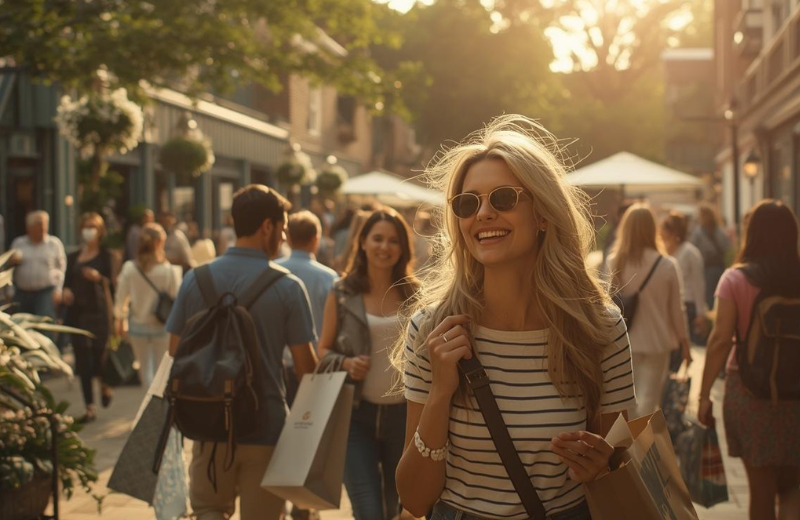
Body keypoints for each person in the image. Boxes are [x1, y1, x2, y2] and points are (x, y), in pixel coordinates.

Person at [396, 115, 636, 520]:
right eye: (468, 203)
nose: (483, 214)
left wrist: (602, 464)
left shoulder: (599, 328)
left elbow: (624, 462)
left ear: (542, 214)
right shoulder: (432, 330)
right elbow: (415, 501)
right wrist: (440, 393)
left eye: (504, 198)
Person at [165, 185, 318, 520]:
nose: (283, 237)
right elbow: (306, 369)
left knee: (207, 511)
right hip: (265, 426)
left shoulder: (195, 279)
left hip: (208, 422)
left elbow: (175, 351)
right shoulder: (288, 287)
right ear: (267, 226)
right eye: (282, 228)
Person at [698, 199, 800, 520]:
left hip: (748, 392)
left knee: (761, 490)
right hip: (796, 395)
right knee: (793, 489)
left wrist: (703, 396)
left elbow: (718, 341)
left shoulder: (736, 279)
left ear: (751, 233)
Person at [318, 209, 419, 520]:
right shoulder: (342, 292)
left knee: (395, 509)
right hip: (355, 416)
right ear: (362, 242)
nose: (384, 247)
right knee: (368, 511)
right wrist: (346, 362)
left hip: (404, 417)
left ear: (403, 248)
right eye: (377, 238)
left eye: (393, 241)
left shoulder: (416, 294)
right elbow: (322, 349)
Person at [607, 204, 691, 417]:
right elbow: (676, 310)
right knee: (649, 399)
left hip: (622, 341)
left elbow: (606, 306)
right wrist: (685, 343)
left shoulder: (615, 262)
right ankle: (642, 445)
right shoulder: (667, 265)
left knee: (627, 399)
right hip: (657, 342)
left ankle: (630, 446)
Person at [62, 212, 115, 423]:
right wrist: (65, 292)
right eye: (86, 226)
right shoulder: (73, 257)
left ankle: (104, 382)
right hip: (77, 314)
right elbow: (66, 281)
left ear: (100, 231)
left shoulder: (106, 256)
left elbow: (113, 283)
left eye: (93, 226)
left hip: (99, 312)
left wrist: (99, 278)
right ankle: (89, 407)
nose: (89, 230)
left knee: (99, 355)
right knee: (82, 360)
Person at [114, 223, 182, 387]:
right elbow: (177, 300)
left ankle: (148, 404)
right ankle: (159, 408)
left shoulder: (130, 268)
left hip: (138, 327)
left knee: (145, 373)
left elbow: (120, 298)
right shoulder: (170, 271)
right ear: (159, 243)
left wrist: (120, 319)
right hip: (162, 327)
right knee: (162, 373)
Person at [660, 211, 708, 346]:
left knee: (682, 347)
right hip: (668, 304)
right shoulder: (663, 252)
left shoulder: (690, 252)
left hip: (688, 305)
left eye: (665, 228)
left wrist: (700, 313)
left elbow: (698, 283)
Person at [9, 211, 66, 319]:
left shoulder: (54, 244)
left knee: (44, 325)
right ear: (29, 227)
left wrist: (58, 290)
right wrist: (9, 291)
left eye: (45, 223)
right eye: (39, 223)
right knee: (20, 327)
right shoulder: (18, 243)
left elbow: (61, 268)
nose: (43, 227)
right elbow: (9, 269)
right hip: (22, 293)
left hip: (45, 294)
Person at [690, 203, 731, 310]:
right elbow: (726, 245)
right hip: (718, 266)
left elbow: (693, 247)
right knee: (720, 294)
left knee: (710, 295)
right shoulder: (719, 229)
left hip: (708, 267)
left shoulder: (699, 231)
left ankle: (712, 316)